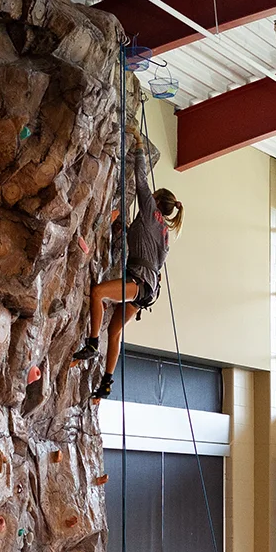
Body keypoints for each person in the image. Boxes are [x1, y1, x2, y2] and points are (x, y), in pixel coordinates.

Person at [72, 124, 184, 399]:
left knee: (98, 293)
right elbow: (141, 246)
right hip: (148, 289)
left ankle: (91, 343)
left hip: (139, 282)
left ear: (156, 201)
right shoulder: (165, 233)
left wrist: (138, 145)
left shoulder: (149, 208)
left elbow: (141, 179)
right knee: (116, 328)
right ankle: (106, 384)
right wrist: (120, 227)